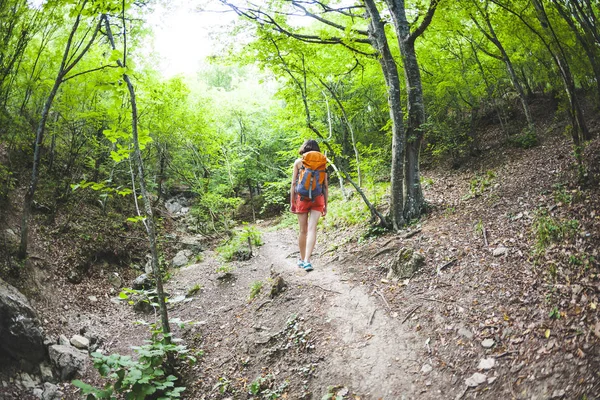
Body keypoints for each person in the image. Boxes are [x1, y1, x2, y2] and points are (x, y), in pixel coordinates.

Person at [290, 139, 328, 272]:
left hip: (302, 198)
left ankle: (301, 259)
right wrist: (326, 206)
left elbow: (294, 184)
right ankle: (307, 260)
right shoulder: (322, 162)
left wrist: (292, 202)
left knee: (303, 231)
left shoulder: (298, 162)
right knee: (312, 230)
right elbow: (325, 186)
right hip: (318, 198)